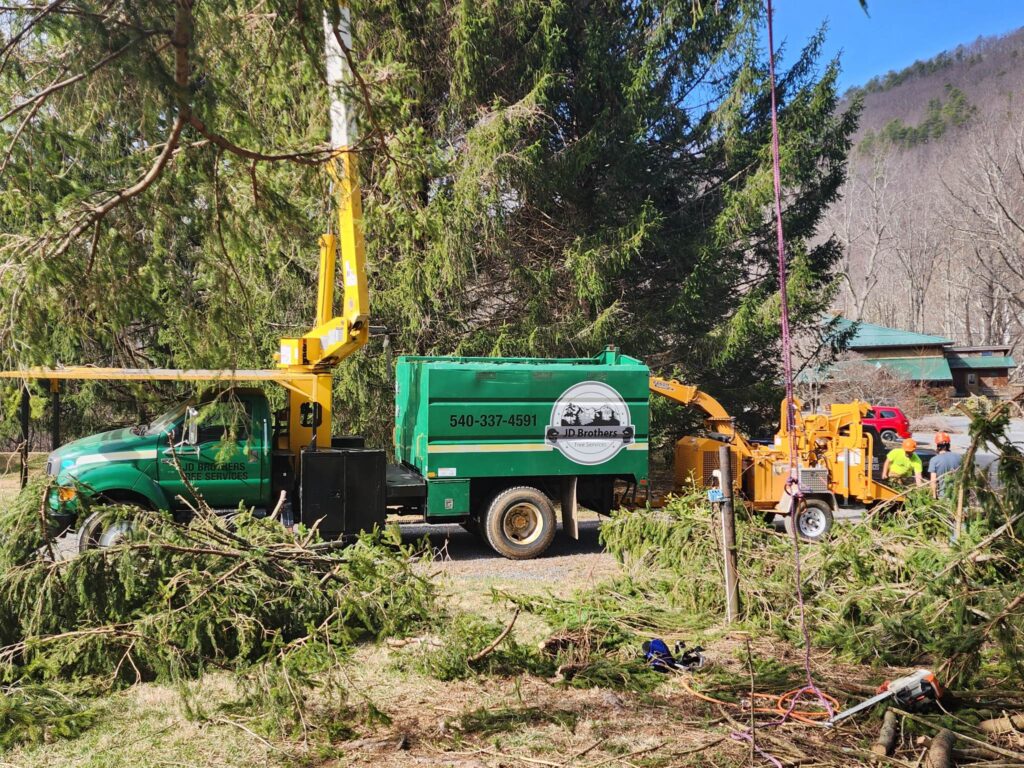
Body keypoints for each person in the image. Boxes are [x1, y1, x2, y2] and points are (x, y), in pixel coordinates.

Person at [928, 431, 962, 499]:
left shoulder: (934, 460)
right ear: (948, 445)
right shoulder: (959, 457)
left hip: (943, 497)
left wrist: (934, 497)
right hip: (957, 496)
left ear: (938, 446)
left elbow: (933, 481)